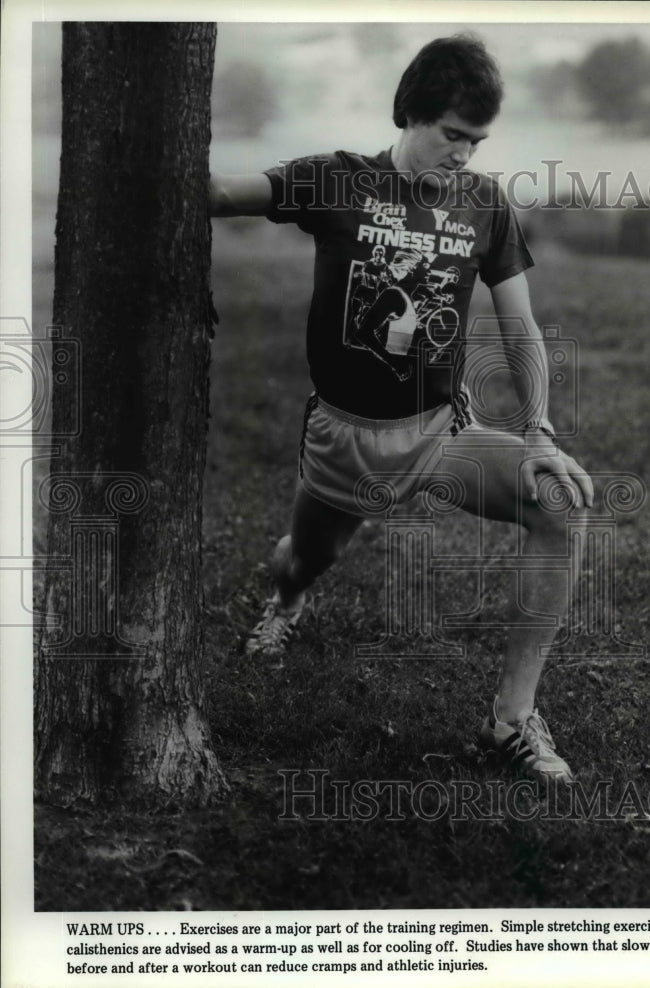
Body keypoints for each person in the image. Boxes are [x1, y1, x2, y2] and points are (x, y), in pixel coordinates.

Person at [209, 34, 594, 786]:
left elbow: (518, 327)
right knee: (305, 559)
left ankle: (510, 720)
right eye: (452, 136)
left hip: (436, 435)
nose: (464, 156)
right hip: (342, 438)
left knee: (559, 502)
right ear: (409, 113)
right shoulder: (335, 181)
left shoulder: (483, 204)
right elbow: (223, 197)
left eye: (477, 142)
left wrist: (540, 431)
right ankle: (285, 601)